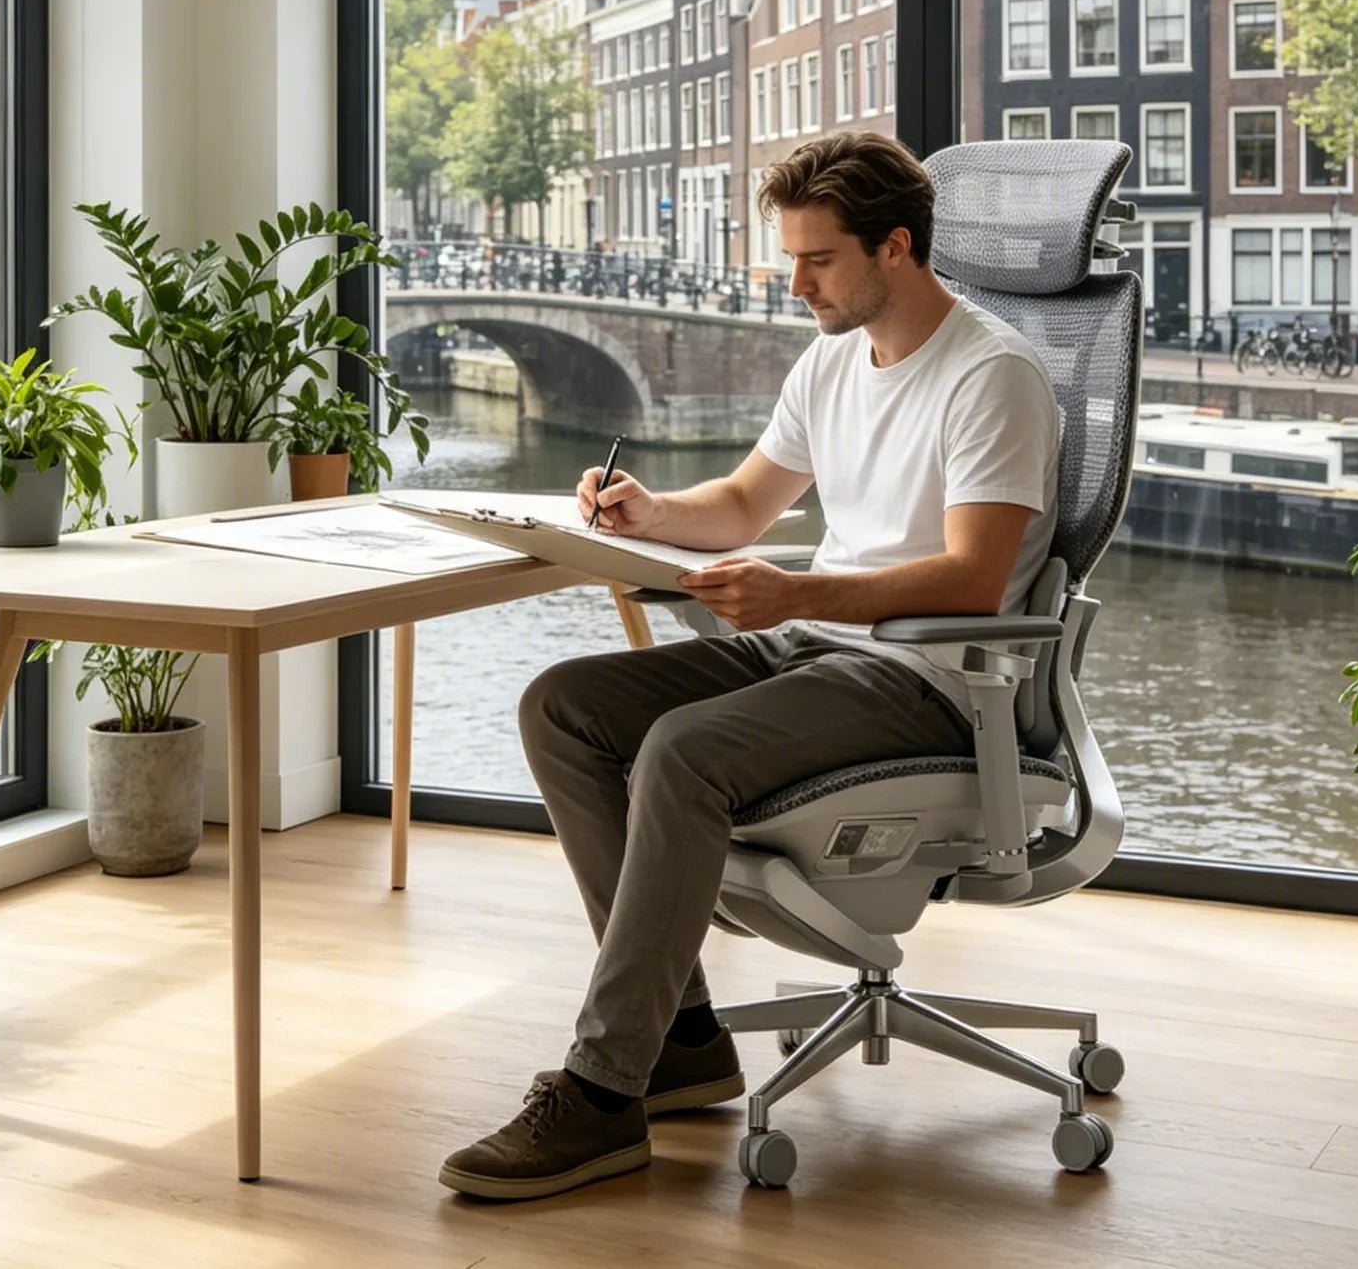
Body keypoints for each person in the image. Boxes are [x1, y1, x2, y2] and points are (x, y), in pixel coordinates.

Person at [439, 130, 1064, 1200]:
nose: (794, 282)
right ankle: (680, 1037)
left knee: (681, 752)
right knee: (564, 707)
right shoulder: (831, 360)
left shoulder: (991, 375)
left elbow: (971, 576)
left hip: (929, 681)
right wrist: (648, 512)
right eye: (789, 257)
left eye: (816, 260)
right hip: (814, 646)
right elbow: (740, 504)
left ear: (896, 249)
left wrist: (795, 591)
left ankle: (600, 1090)